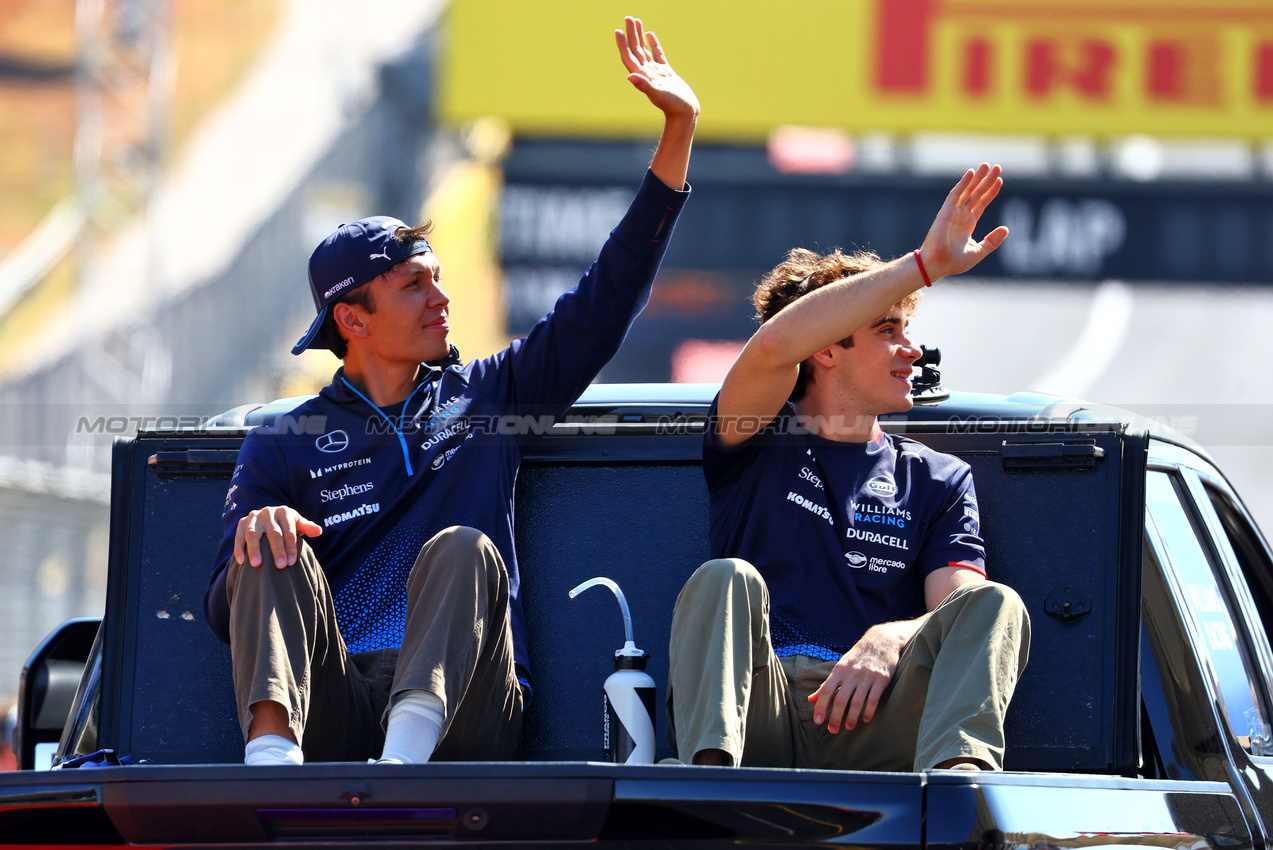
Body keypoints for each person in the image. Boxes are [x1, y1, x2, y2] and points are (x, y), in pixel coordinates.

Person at [202, 16, 698, 766]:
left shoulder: (491, 397)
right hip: (332, 704)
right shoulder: (283, 438)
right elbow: (220, 605)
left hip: (469, 711)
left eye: (437, 278)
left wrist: (676, 137)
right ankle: (269, 764)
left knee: (464, 547)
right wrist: (257, 533)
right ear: (351, 318)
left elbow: (604, 304)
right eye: (412, 286)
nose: (440, 297)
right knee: (263, 543)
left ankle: (404, 764)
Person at [667, 164, 1031, 771]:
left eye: (906, 330)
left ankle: (953, 803)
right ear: (828, 348)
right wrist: (924, 266)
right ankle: (712, 792)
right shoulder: (754, 436)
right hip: (764, 707)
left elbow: (961, 603)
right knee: (723, 577)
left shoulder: (938, 478)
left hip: (871, 709)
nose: (911, 350)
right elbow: (777, 347)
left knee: (999, 604)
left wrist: (894, 637)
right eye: (888, 329)